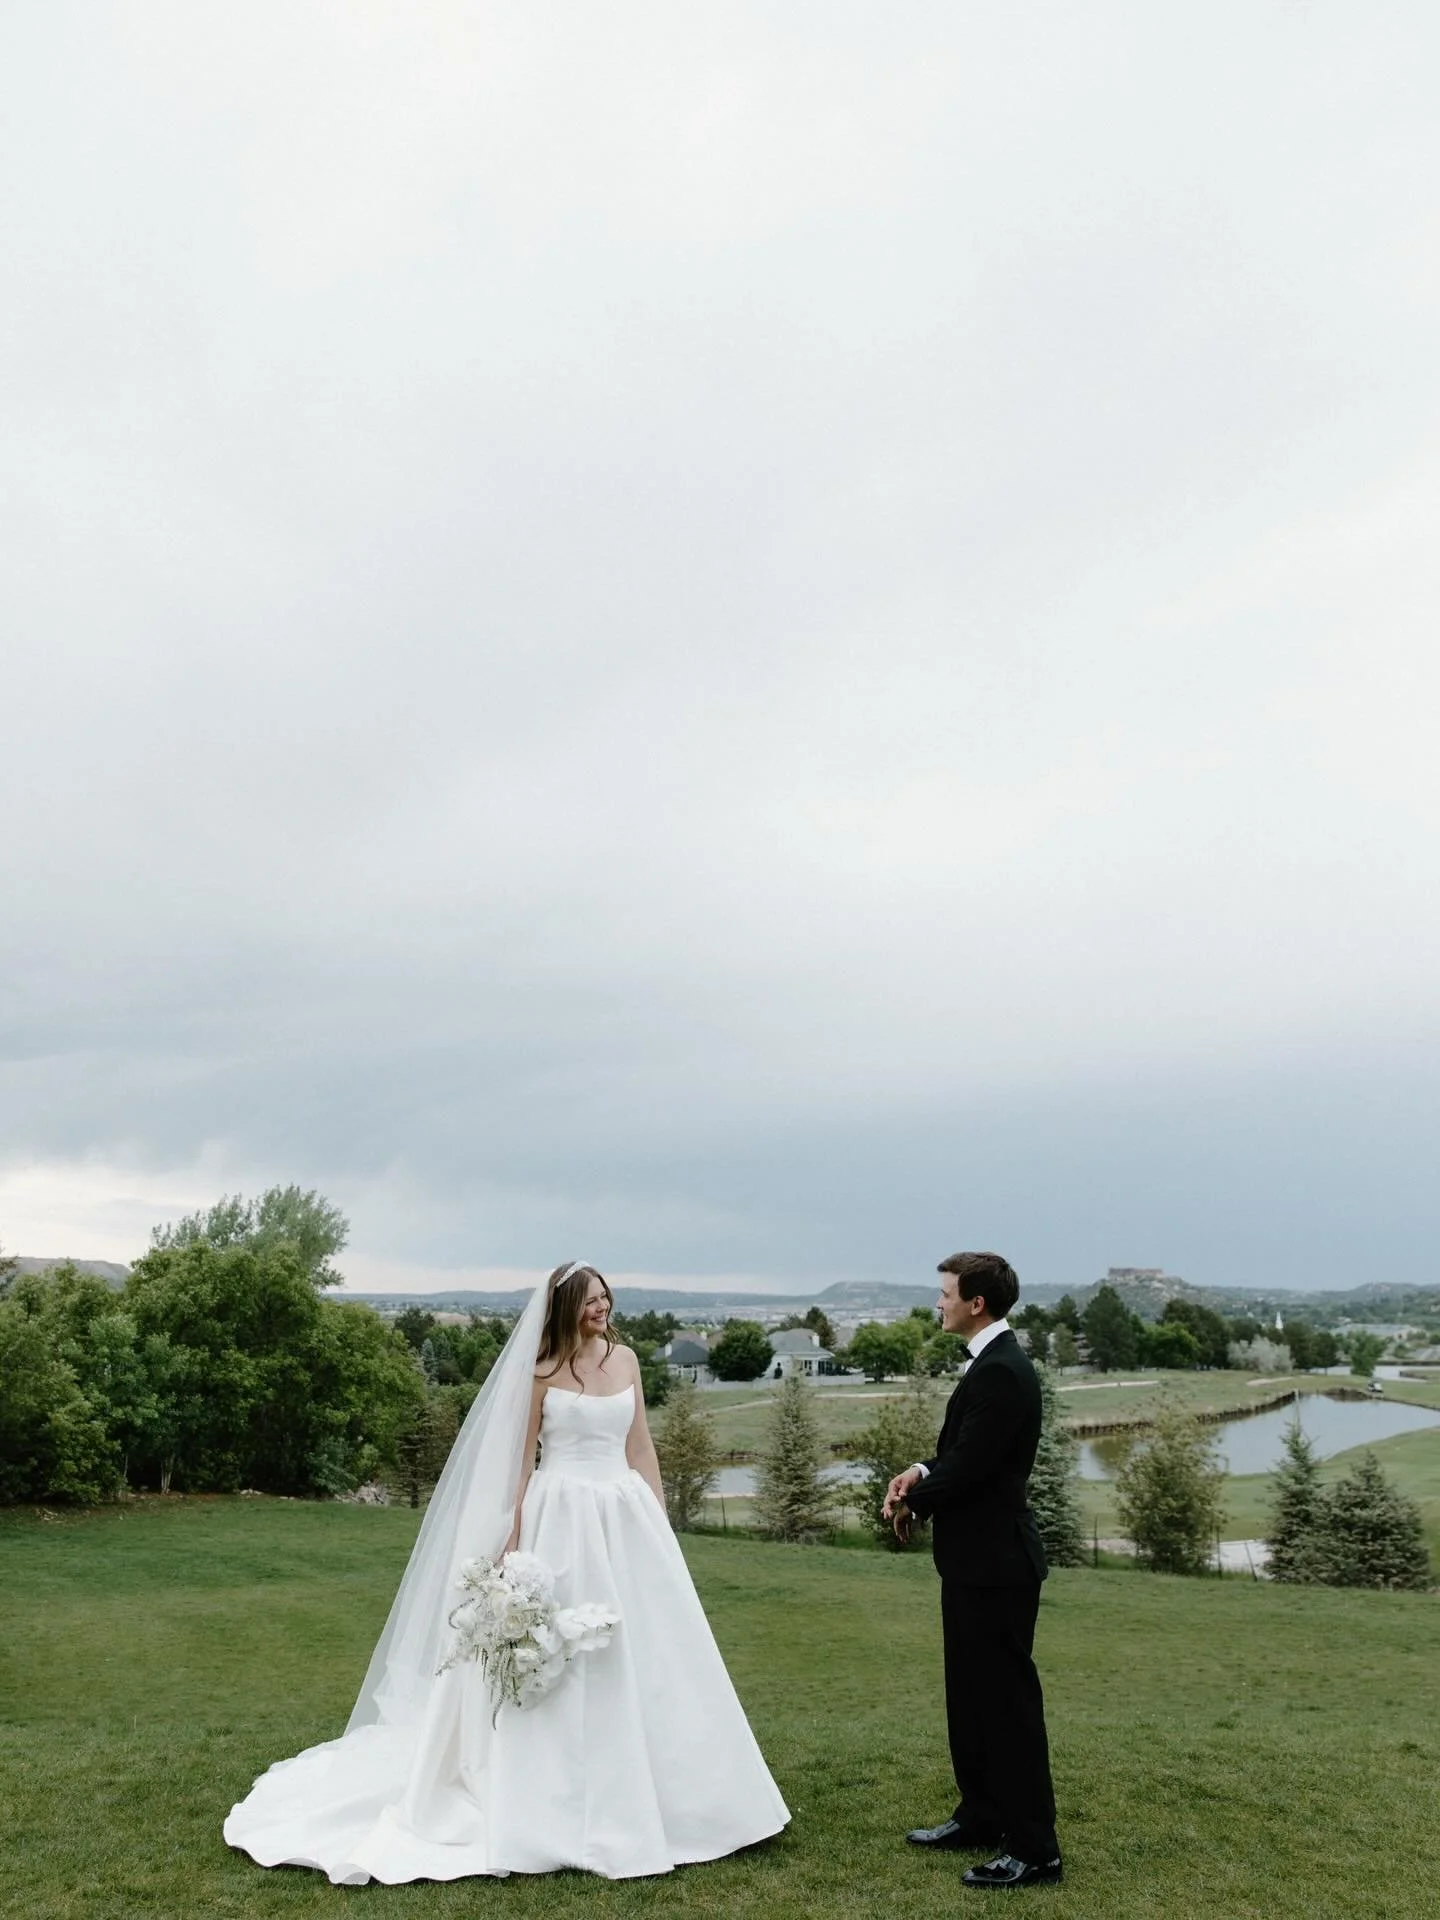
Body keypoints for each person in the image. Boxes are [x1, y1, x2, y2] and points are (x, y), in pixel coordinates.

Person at [224, 1261, 788, 1883]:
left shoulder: (624, 1361)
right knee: (560, 1648)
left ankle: (680, 1796)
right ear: (565, 1307)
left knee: (649, 1649)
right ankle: (549, 1796)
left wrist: (658, 1519)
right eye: (590, 1301)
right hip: (561, 1517)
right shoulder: (541, 1373)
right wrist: (512, 1536)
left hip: (624, 1518)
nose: (602, 1309)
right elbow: (520, 1462)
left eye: (605, 1297)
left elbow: (641, 1446)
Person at [882, 1251, 1061, 1891]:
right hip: (971, 1561)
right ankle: (982, 1815)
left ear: (976, 1302)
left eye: (945, 1293)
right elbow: (957, 1456)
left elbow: (978, 1467)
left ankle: (1035, 1849)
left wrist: (910, 1499)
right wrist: (921, 1472)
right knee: (971, 1699)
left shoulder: (1004, 1373)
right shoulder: (988, 1368)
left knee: (1006, 1707)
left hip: (998, 1565)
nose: (938, 1303)